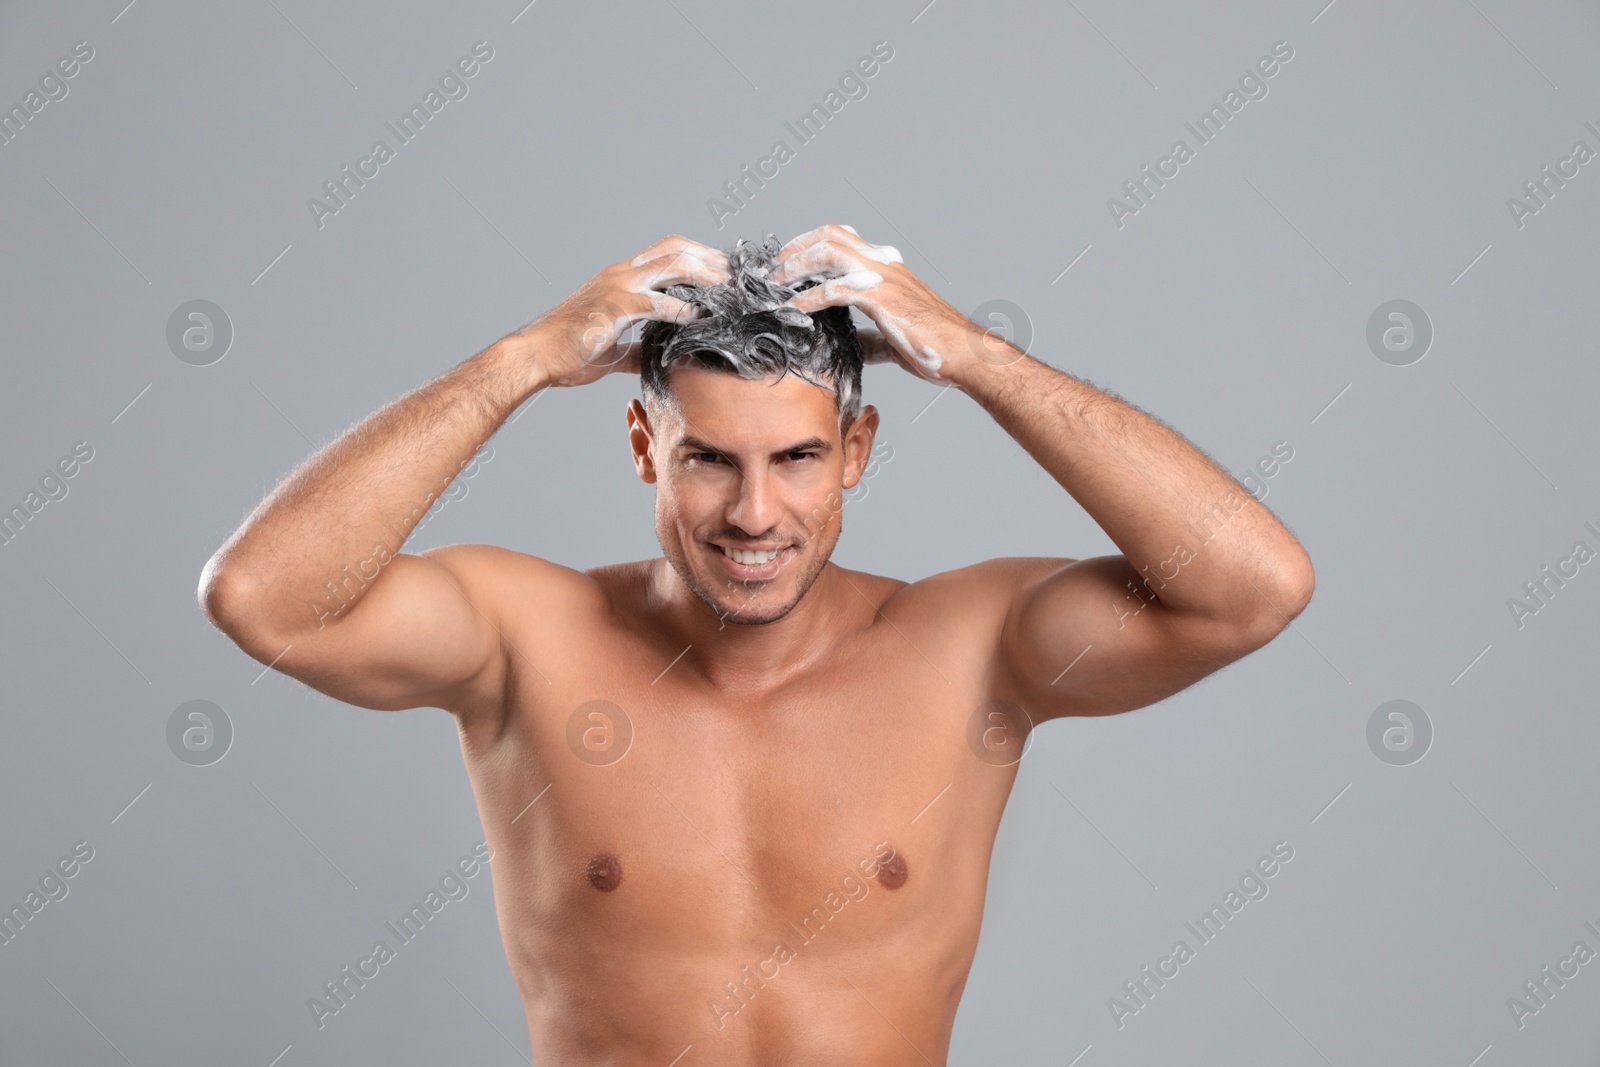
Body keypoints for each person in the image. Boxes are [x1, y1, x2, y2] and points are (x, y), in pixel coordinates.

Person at [198, 224, 1314, 1065]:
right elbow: (265, 598)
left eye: (796, 458)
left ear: (857, 451)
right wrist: (523, 358)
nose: (752, 514)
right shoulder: (524, 639)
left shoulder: (966, 648)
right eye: (708, 459)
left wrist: (976, 356)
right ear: (644, 444)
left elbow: (1250, 587)